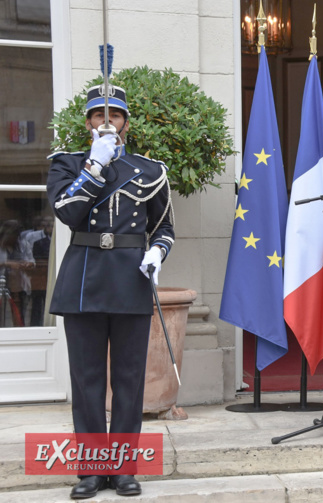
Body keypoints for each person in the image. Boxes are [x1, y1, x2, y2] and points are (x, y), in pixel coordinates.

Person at [46, 84, 174, 499]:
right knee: (86, 381)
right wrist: (94, 167)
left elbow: (164, 228)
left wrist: (157, 252)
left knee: (128, 378)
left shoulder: (150, 170)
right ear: (87, 124)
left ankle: (122, 468)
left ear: (126, 124)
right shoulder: (67, 165)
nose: (107, 123)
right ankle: (90, 470)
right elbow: (68, 214)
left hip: (130, 279)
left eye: (115, 116)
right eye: (99, 116)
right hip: (83, 278)